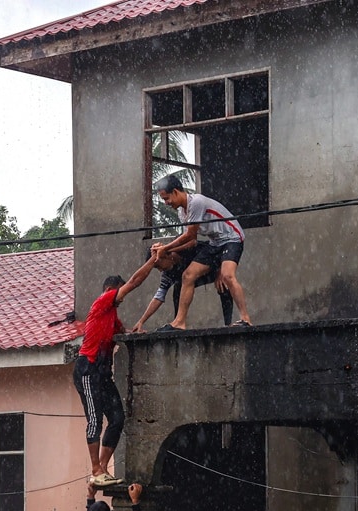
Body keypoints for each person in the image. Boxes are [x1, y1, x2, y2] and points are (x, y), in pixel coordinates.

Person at [73, 252, 161, 487]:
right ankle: (94, 469)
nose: (121, 299)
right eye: (119, 294)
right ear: (111, 290)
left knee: (117, 418)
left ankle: (102, 468)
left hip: (102, 374)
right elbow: (133, 283)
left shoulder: (112, 317)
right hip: (87, 369)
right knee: (94, 419)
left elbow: (123, 334)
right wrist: (153, 262)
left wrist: (139, 328)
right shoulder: (103, 302)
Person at [152, 176, 252, 330]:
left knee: (227, 275)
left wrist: (166, 248)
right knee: (188, 275)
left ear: (176, 192)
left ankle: (245, 319)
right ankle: (179, 322)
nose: (166, 203)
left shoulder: (196, 202)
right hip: (215, 243)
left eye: (167, 198)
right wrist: (167, 250)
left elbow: (190, 236)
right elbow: (191, 242)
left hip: (232, 238)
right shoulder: (182, 213)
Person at [131, 244, 234, 332]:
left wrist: (221, 270)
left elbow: (216, 249)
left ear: (165, 256)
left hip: (213, 267)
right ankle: (178, 323)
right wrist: (141, 321)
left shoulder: (184, 248)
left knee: (224, 283)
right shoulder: (168, 273)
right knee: (178, 287)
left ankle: (228, 324)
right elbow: (158, 297)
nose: (160, 270)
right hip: (192, 279)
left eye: (158, 266)